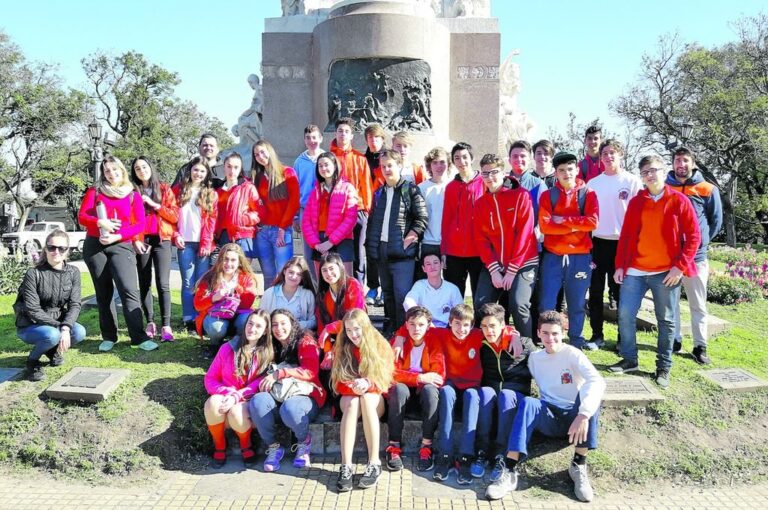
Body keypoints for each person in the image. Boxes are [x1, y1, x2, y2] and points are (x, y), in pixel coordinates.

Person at [485, 311, 605, 503]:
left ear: (564, 333)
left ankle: (578, 464)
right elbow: (505, 333)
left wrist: (583, 415)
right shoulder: (535, 358)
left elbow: (597, 381)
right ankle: (509, 470)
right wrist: (513, 334)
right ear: (539, 333)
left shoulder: (573, 354)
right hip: (549, 415)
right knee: (529, 402)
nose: (551, 338)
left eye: (555, 333)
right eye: (546, 333)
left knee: (590, 399)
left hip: (573, 417)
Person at [608, 155, 701, 389]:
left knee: (667, 320)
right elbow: (627, 236)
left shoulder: (679, 200)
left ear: (663, 171)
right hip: (636, 271)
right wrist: (620, 265)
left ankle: (663, 366)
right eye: (645, 172)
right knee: (626, 315)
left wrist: (679, 266)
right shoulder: (637, 202)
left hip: (666, 273)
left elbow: (694, 236)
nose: (650, 175)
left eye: (653, 170)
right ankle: (629, 359)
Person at [78, 155, 154, 352]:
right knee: (104, 293)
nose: (111, 174)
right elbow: (82, 216)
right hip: (95, 245)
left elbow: (139, 224)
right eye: (107, 171)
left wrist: (117, 236)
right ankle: (109, 336)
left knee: (129, 290)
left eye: (115, 170)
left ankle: (138, 337)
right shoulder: (95, 192)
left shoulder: (132, 194)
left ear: (122, 170)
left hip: (121, 245)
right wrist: (99, 223)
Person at [666, 146, 722, 364]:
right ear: (672, 164)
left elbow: (714, 222)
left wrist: (701, 241)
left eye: (686, 160)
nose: (681, 165)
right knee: (671, 302)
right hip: (669, 257)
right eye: (678, 160)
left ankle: (700, 346)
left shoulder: (707, 189)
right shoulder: (665, 187)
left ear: (693, 163)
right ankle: (675, 340)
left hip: (695, 258)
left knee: (697, 303)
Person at [249, 310, 325, 471]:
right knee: (258, 401)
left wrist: (281, 373)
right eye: (274, 325)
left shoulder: (305, 341)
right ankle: (274, 447)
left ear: (292, 323)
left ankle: (303, 443)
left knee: (290, 408)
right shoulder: (270, 346)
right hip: (278, 395)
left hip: (305, 396)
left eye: (283, 323)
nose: (279, 328)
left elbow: (311, 371)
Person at [473, 154, 539, 338]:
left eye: (494, 172)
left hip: (523, 262)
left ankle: (527, 351)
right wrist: (494, 270)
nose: (489, 177)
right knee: (481, 305)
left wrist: (511, 271)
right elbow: (481, 239)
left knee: (518, 305)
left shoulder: (521, 196)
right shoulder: (480, 204)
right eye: (485, 174)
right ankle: (487, 350)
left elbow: (525, 234)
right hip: (495, 264)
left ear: (503, 173)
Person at [538, 151, 599, 350]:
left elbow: (592, 222)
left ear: (576, 170)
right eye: (562, 170)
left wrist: (563, 221)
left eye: (570, 169)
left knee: (577, 302)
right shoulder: (549, 195)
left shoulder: (588, 194)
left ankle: (576, 341)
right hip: (553, 256)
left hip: (579, 257)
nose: (566, 174)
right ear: (555, 173)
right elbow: (546, 226)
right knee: (547, 302)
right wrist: (577, 225)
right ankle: (548, 340)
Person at [585, 140, 642, 349]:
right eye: (605, 153)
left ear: (621, 155)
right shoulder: (593, 184)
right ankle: (596, 335)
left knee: (621, 294)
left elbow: (639, 216)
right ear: (600, 158)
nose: (609, 157)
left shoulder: (632, 181)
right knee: (596, 292)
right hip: (598, 244)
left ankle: (622, 339)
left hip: (623, 244)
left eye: (613, 153)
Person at [365, 149, 428, 334]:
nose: (386, 169)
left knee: (402, 296)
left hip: (402, 254)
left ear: (399, 165)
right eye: (383, 166)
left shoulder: (410, 189)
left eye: (390, 165)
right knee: (388, 295)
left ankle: (404, 333)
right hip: (382, 251)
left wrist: (410, 238)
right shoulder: (379, 192)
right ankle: (391, 331)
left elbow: (422, 218)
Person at [331, 309, 394, 492]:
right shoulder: (343, 345)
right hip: (349, 397)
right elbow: (338, 382)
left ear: (366, 327)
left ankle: (374, 463)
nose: (353, 334)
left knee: (366, 399)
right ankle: (346, 466)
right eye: (348, 330)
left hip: (374, 398)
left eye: (357, 329)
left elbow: (386, 380)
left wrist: (367, 384)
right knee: (352, 402)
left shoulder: (380, 344)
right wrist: (354, 386)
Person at [203, 309, 272, 468]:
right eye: (250, 323)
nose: (252, 329)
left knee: (236, 413)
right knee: (213, 404)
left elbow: (261, 382)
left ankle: (245, 444)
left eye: (258, 326)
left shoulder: (267, 353)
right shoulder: (228, 348)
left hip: (246, 400)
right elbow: (210, 379)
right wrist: (228, 393)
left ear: (265, 331)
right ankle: (219, 446)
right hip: (226, 395)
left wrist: (237, 396)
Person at [15, 230, 86, 381]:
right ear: (45, 249)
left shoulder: (73, 272)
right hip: (30, 324)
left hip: (57, 321)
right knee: (52, 335)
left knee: (79, 332)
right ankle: (32, 362)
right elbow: (33, 309)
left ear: (68, 250)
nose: (56, 252)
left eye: (62, 248)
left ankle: (51, 350)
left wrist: (66, 327)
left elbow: (75, 304)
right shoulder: (33, 274)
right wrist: (59, 326)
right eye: (52, 247)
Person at [476, 303, 535, 482]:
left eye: (493, 325)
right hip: (493, 394)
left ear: (503, 325)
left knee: (506, 395)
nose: (489, 331)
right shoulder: (481, 344)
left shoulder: (523, 344)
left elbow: (542, 365)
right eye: (484, 326)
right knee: (485, 393)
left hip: (515, 395)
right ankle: (482, 452)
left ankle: (501, 455)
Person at [385, 306, 445, 472]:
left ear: (428, 325)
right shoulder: (398, 342)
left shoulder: (434, 341)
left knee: (431, 390)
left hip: (423, 398)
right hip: (401, 398)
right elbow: (390, 373)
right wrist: (419, 377)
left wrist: (420, 380)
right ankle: (394, 446)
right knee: (399, 389)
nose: (416, 328)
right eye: (412, 324)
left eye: (421, 324)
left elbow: (438, 375)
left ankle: (427, 446)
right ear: (406, 324)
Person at [431, 304, 485, 485]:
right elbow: (414, 328)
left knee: (472, 397)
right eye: (457, 324)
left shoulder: (477, 335)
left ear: (472, 325)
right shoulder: (441, 334)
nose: (461, 329)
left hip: (471, 385)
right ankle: (445, 454)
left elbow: (501, 329)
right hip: (451, 383)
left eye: (466, 325)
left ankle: (465, 457)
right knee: (445, 393)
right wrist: (399, 338)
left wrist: (514, 337)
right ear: (449, 322)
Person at [130, 156, 179, 342]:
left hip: (162, 239)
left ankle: (166, 325)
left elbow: (174, 216)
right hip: (142, 239)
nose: (142, 170)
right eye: (137, 168)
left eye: (144, 166)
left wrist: (154, 205)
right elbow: (130, 218)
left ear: (150, 167)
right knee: (144, 281)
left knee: (163, 282)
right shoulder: (133, 191)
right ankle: (150, 321)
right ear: (134, 172)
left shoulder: (164, 188)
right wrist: (135, 239)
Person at [172, 156, 219, 333]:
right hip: (185, 242)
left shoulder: (210, 194)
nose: (198, 173)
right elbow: (170, 217)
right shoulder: (178, 190)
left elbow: (211, 221)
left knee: (201, 283)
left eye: (202, 170)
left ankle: (202, 316)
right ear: (190, 171)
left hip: (203, 244)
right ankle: (189, 319)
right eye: (195, 169)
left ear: (206, 173)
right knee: (187, 282)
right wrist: (176, 235)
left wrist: (207, 243)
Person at [194, 243, 260, 356]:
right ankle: (215, 345)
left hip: (238, 315)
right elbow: (197, 304)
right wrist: (214, 298)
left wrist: (236, 289)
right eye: (225, 259)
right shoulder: (209, 277)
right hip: (216, 316)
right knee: (216, 328)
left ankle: (237, 345)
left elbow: (248, 303)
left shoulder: (247, 277)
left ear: (239, 262)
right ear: (220, 260)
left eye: (233, 260)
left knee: (246, 321)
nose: (228, 264)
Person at [251, 140, 300, 288]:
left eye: (262, 152)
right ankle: (268, 307)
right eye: (256, 154)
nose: (260, 156)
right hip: (263, 232)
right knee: (268, 274)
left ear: (270, 152)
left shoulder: (287, 172)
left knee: (283, 272)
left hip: (281, 230)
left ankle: (283, 309)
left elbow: (294, 202)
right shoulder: (258, 178)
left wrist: (282, 228)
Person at [301, 152, 358, 278]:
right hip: (319, 241)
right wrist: (316, 244)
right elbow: (306, 222)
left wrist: (331, 242)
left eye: (326, 164)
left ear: (335, 165)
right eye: (320, 166)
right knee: (323, 283)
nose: (323, 168)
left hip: (342, 240)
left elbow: (350, 219)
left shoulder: (347, 188)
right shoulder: (315, 191)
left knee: (345, 282)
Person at [330, 117, 372, 283]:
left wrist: (366, 210)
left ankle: (358, 288)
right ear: (335, 133)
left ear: (352, 136)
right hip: (335, 213)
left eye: (347, 132)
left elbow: (366, 186)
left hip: (358, 210)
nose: (343, 134)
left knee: (358, 251)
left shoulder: (360, 159)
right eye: (340, 131)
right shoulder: (329, 157)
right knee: (337, 252)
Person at [441, 142, 485, 299]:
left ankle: (480, 324)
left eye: (465, 157)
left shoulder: (484, 183)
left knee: (480, 296)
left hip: (479, 250)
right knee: (454, 296)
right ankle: (455, 324)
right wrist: (444, 250)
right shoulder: (451, 187)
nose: (461, 162)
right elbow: (447, 219)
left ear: (471, 158)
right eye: (457, 158)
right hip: (454, 251)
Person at [215, 152, 264, 260]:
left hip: (242, 235)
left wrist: (242, 219)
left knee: (242, 273)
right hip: (224, 236)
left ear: (240, 168)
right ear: (224, 167)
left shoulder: (248, 187)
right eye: (229, 166)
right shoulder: (218, 191)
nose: (232, 171)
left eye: (236, 167)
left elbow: (259, 212)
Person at [315, 252, 366, 355]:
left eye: (331, 268)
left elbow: (355, 318)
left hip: (357, 335)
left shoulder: (352, 285)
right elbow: (321, 326)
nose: (328, 273)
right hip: (337, 339)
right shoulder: (323, 294)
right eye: (324, 270)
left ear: (340, 268)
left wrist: (329, 329)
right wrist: (328, 351)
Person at [415, 146, 453, 281]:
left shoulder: (453, 186)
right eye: (435, 162)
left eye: (442, 162)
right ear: (429, 166)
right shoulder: (421, 188)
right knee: (427, 281)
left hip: (450, 243)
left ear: (448, 164)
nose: (439, 166)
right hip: (428, 242)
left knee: (450, 281)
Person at [293, 124, 325, 285]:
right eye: (308, 138)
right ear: (304, 140)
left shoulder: (327, 159)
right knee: (308, 251)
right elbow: (295, 190)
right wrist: (296, 216)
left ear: (320, 138)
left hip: (325, 210)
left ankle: (326, 282)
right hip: (306, 210)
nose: (311, 141)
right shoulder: (299, 162)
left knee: (325, 247)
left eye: (314, 137)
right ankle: (314, 284)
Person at [404, 253, 463, 328]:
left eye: (435, 262)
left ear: (441, 265)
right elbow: (408, 302)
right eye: (428, 264)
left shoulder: (452, 289)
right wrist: (424, 320)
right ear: (424, 268)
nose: (432, 266)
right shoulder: (419, 285)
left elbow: (460, 312)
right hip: (424, 328)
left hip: (447, 329)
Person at [363, 123, 387, 307]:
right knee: (370, 250)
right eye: (370, 138)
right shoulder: (363, 159)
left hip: (385, 208)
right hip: (368, 210)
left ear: (382, 140)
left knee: (385, 250)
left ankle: (385, 290)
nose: (373, 140)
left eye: (377, 137)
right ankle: (372, 286)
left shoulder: (387, 159)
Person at [259, 257, 316, 330]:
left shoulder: (307, 294)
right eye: (291, 272)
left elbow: (313, 321)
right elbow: (261, 317)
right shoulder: (269, 293)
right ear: (284, 271)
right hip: (274, 333)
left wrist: (294, 325)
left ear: (302, 277)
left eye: (299, 274)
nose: (294, 277)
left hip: (298, 334)